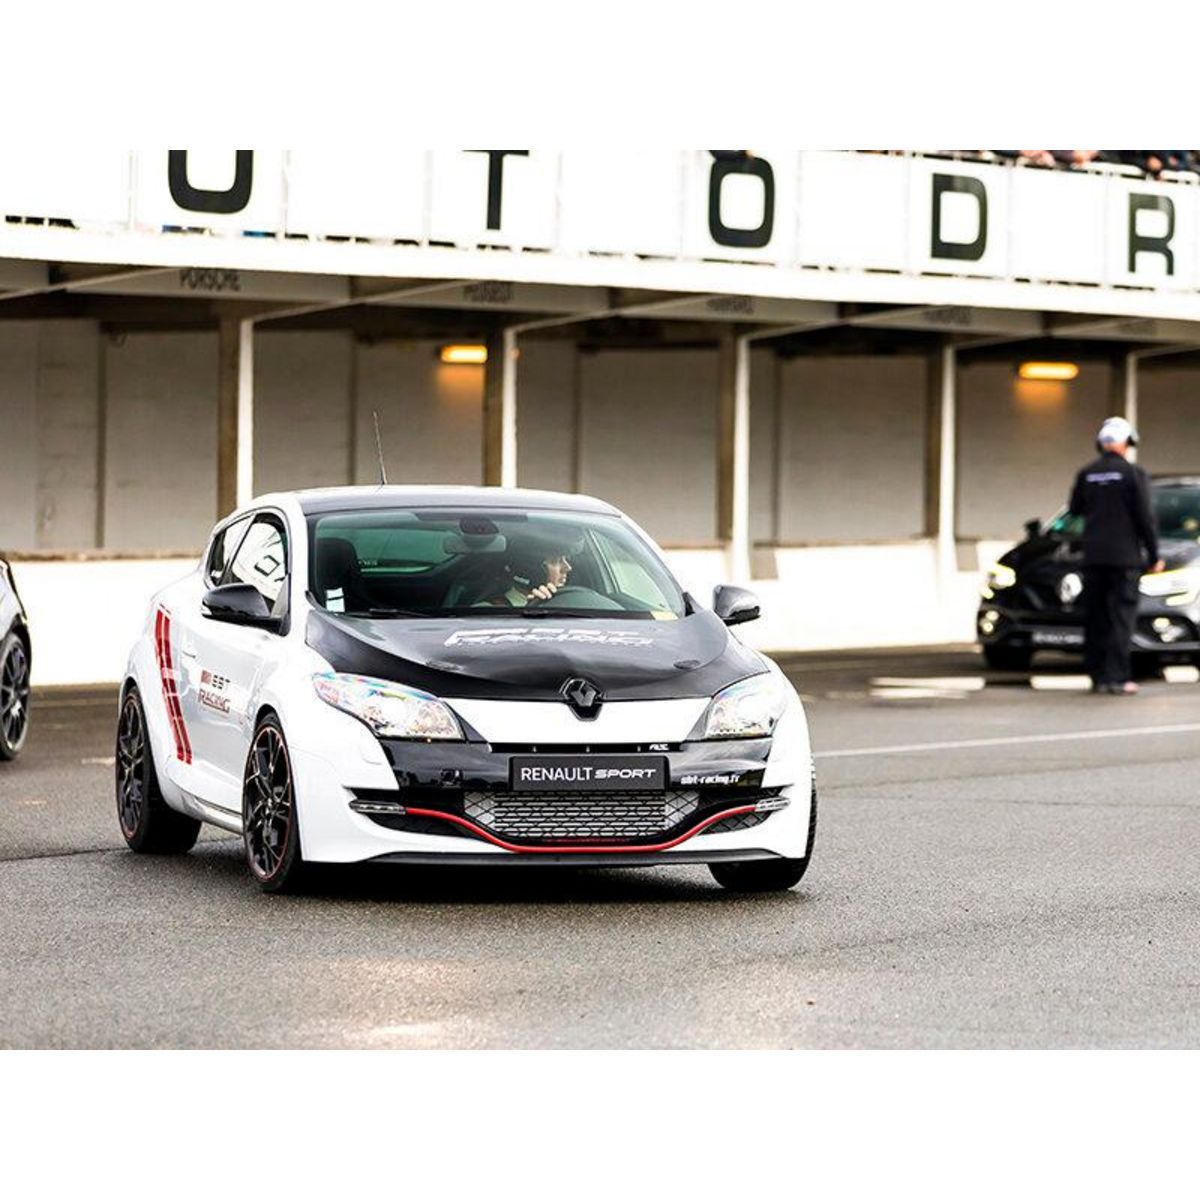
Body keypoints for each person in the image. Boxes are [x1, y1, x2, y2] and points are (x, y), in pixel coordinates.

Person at [1067, 417, 1164, 694]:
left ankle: (1098, 677)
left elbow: (1075, 510)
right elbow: (1145, 518)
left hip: (1093, 557)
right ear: (1125, 443)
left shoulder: (1087, 473)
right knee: (1121, 617)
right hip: (1124, 559)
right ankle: (1118, 677)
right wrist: (1154, 554)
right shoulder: (1134, 474)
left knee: (1096, 617)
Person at [479, 537, 573, 607]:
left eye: (566, 560)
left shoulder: (575, 602)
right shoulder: (486, 611)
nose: (568, 568)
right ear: (531, 569)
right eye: (555, 561)